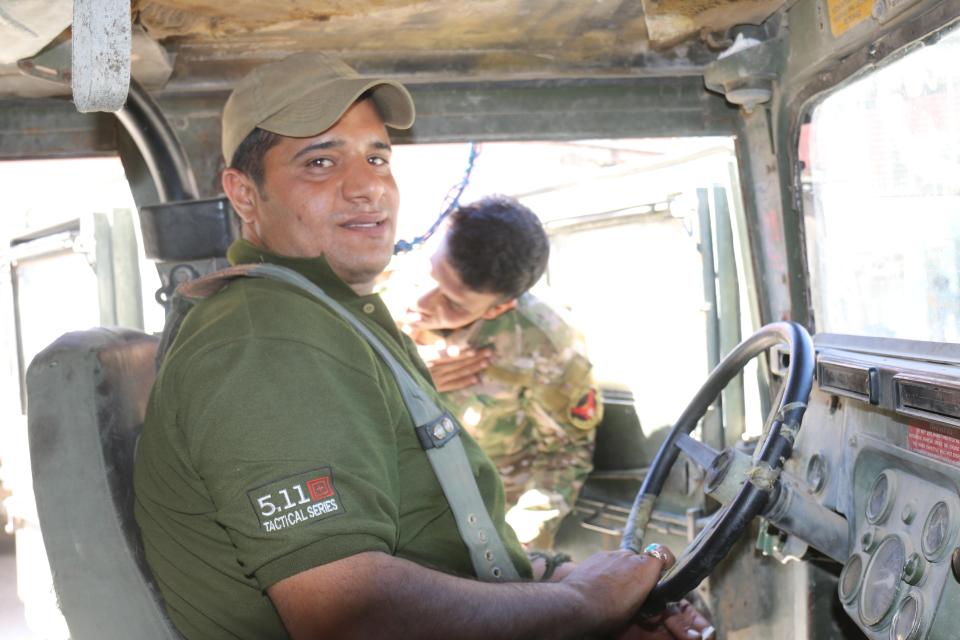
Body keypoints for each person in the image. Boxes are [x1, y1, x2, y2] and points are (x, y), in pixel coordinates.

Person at [133, 52, 712, 640]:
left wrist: (556, 577)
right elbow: (348, 615)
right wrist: (585, 605)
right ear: (245, 193)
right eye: (321, 161)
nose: (369, 188)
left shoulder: (333, 313)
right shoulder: (267, 336)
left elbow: (434, 537)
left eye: (378, 156)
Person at [405, 195, 601, 549]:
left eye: (453, 303)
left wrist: (513, 545)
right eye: (430, 271)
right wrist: (405, 380)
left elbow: (565, 454)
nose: (422, 301)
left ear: (500, 308)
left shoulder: (545, 343)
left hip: (481, 522)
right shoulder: (378, 287)